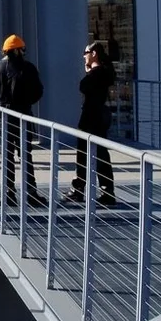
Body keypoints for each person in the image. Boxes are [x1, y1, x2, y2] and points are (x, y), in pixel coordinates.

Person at [0, 35, 47, 207]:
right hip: (23, 114)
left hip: (4, 115)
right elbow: (38, 91)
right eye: (22, 49)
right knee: (26, 155)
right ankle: (30, 193)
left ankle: (9, 193)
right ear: (18, 50)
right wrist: (26, 102)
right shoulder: (28, 68)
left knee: (7, 156)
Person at [66, 42, 117, 207]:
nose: (84, 56)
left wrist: (88, 72)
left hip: (90, 118)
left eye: (86, 52)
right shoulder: (105, 72)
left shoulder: (97, 73)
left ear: (94, 53)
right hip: (98, 118)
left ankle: (81, 189)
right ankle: (105, 190)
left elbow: (84, 86)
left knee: (85, 154)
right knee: (100, 154)